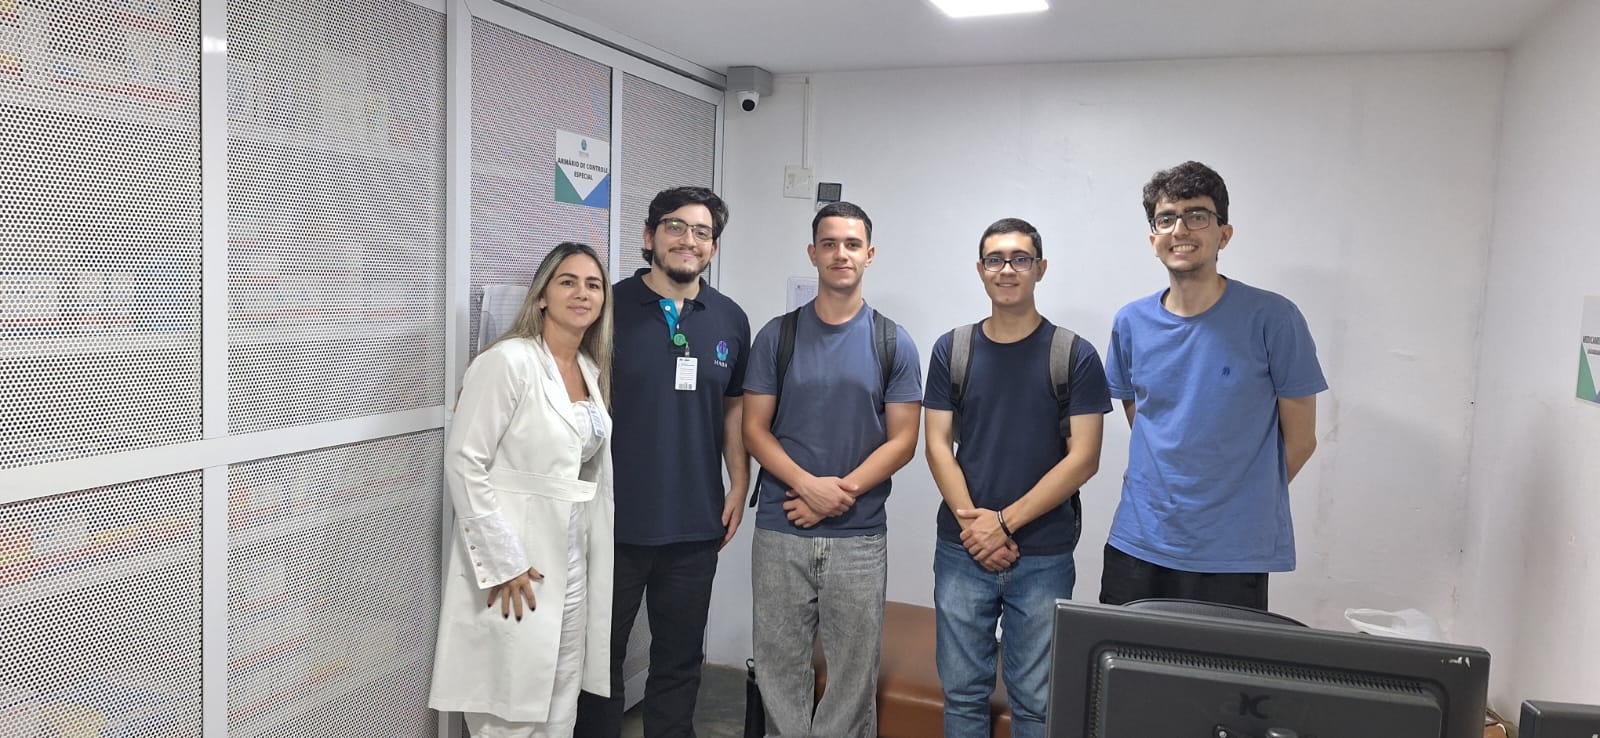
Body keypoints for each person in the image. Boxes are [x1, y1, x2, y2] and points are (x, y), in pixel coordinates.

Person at [1101, 161, 1328, 610]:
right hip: (1140, 542)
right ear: (1153, 239)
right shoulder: (1131, 323)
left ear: (1223, 234)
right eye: (1167, 218)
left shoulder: (1273, 319)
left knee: (1216, 679)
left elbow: (1301, 440)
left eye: (1197, 215)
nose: (1180, 228)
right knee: (1123, 673)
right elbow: (1141, 416)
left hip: (1232, 554)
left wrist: (1234, 498)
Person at [923, 218, 1110, 738]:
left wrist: (1002, 524)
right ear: (980, 271)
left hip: (1043, 553)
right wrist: (975, 527)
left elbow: (1084, 458)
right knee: (962, 697)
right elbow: (937, 444)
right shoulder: (952, 349)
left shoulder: (1073, 354)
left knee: (1036, 703)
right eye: (995, 259)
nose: (1007, 269)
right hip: (962, 551)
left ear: (1040, 269)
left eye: (1020, 259)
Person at [742, 202, 923, 738]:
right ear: (813, 253)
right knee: (778, 664)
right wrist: (807, 486)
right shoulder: (778, 336)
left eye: (851, 244)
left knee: (853, 671)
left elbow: (905, 439)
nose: (840, 254)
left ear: (868, 254)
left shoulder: (894, 341)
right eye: (829, 243)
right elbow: (754, 429)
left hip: (859, 536)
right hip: (782, 525)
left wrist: (839, 494)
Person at [575, 187, 751, 738]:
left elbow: (733, 410)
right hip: (614, 521)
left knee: (678, 663)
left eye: (702, 232)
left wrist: (738, 483)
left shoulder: (729, 318)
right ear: (650, 237)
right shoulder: (608, 307)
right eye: (676, 227)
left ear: (713, 248)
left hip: (695, 525)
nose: (688, 240)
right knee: (598, 664)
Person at [430, 242, 616, 738]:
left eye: (593, 285)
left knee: (559, 691)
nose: (582, 293)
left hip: (572, 555)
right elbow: (464, 461)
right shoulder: (508, 361)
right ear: (541, 297)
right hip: (517, 557)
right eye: (568, 282)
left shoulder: (590, 371)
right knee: (508, 699)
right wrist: (503, 559)